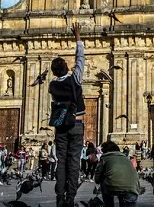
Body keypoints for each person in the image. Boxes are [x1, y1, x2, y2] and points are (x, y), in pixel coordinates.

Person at [48, 22, 85, 207]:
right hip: (76, 124)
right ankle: (70, 198)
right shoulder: (75, 78)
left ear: (54, 72)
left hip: (61, 126)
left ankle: (59, 197)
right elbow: (80, 60)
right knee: (73, 162)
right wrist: (77, 38)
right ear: (67, 68)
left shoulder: (52, 85)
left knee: (61, 161)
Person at [94, 141, 140, 207]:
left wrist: (100, 179)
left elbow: (97, 177)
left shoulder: (105, 158)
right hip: (132, 189)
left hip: (111, 187)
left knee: (103, 184)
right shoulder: (126, 159)